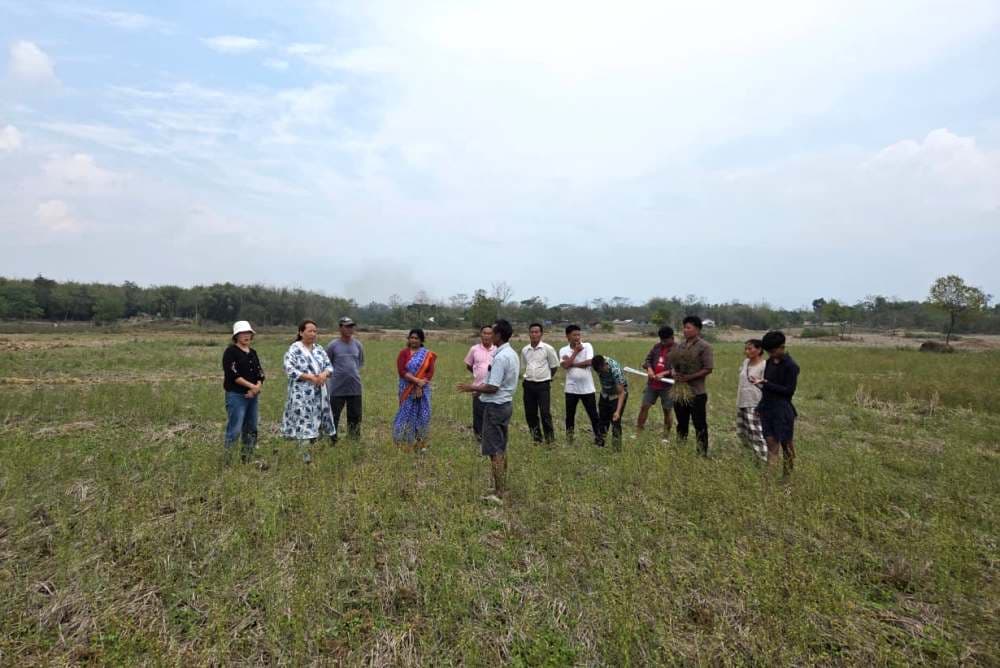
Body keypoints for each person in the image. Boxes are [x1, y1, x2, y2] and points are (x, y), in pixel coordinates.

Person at [458, 319, 519, 504]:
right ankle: (501, 487)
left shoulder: (501, 357)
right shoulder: (511, 353)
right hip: (505, 403)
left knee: (495, 450)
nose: (489, 335)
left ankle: (499, 492)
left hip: (496, 406)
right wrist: (478, 390)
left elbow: (493, 387)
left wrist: (471, 388)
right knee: (501, 447)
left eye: (492, 332)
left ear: (499, 335)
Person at [281, 319, 336, 463]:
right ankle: (304, 459)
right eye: (309, 331)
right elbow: (289, 369)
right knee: (304, 423)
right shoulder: (294, 349)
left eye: (315, 331)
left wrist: (323, 375)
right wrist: (310, 377)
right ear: (301, 332)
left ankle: (314, 454)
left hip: (320, 394)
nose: (313, 334)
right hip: (302, 395)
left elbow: (329, 367)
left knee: (317, 423)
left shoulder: (319, 349)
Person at [752, 331, 800, 476]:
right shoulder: (769, 363)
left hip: (783, 408)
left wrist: (766, 383)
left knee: (786, 444)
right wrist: (760, 406)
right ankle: (769, 475)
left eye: (773, 351)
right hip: (767, 408)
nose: (771, 354)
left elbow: (788, 391)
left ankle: (787, 476)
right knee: (771, 443)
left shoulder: (791, 366)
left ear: (782, 347)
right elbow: (767, 388)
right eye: (769, 352)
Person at [669, 315, 714, 456]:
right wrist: (673, 373)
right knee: (681, 423)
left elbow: (708, 368)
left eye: (688, 327)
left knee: (699, 424)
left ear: (698, 329)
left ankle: (702, 453)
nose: (685, 330)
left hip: (697, 392)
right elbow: (672, 365)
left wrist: (689, 377)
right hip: (679, 391)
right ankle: (680, 450)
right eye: (684, 327)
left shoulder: (704, 347)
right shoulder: (679, 346)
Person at [222, 320, 265, 464]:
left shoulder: (253, 353)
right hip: (236, 395)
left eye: (248, 333)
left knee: (251, 428)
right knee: (234, 429)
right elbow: (233, 375)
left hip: (253, 396)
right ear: (236, 336)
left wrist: (256, 387)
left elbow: (260, 373)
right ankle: (228, 461)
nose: (246, 336)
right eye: (242, 333)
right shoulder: (231, 352)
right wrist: (251, 387)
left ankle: (247, 458)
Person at [393, 329, 437, 451]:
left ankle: (420, 442)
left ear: (422, 340)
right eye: (411, 337)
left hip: (423, 389)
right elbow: (402, 371)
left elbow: (430, 372)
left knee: (422, 415)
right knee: (405, 414)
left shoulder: (427, 355)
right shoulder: (403, 353)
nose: (413, 340)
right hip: (406, 389)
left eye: (416, 338)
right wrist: (416, 381)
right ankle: (403, 442)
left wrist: (420, 385)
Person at [560, 325, 603, 446]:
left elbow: (589, 362)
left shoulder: (588, 346)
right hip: (571, 388)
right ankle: (569, 440)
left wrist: (572, 363)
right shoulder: (563, 350)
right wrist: (576, 352)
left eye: (579, 335)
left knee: (593, 415)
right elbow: (564, 366)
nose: (577, 337)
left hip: (587, 388)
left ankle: (599, 439)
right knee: (570, 416)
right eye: (574, 335)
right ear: (567, 336)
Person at [325, 316, 364, 442]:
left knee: (355, 416)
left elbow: (360, 362)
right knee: (334, 415)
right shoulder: (332, 345)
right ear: (340, 328)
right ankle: (332, 440)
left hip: (355, 387)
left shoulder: (358, 345)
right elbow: (326, 364)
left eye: (351, 326)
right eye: (347, 326)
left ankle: (353, 440)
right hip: (337, 387)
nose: (350, 329)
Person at [521, 323, 559, 444]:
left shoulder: (548, 348)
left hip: (543, 385)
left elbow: (554, 366)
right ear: (529, 334)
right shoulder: (525, 350)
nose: (534, 334)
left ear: (541, 334)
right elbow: (523, 366)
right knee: (530, 413)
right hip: (528, 384)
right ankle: (537, 439)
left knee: (545, 413)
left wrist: (547, 377)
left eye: (536, 332)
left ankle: (550, 440)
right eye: (532, 332)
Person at [636, 325, 675, 441]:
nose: (663, 342)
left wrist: (664, 373)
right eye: (661, 340)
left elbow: (679, 368)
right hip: (652, 385)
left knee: (667, 410)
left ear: (672, 338)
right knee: (644, 406)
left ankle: (666, 437)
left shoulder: (678, 349)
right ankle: (638, 433)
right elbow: (647, 360)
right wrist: (649, 369)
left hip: (667, 386)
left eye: (665, 340)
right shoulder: (656, 347)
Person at [736, 338, 768, 462]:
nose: (747, 351)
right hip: (742, 401)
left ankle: (763, 460)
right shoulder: (745, 362)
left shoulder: (764, 365)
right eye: (746, 349)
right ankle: (751, 459)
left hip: (755, 403)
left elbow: (767, 384)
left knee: (757, 433)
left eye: (750, 348)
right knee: (744, 432)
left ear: (759, 350)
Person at [463, 325, 495, 442]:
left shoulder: (497, 349)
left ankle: (491, 439)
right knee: (478, 416)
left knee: (492, 416)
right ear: (480, 334)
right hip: (477, 389)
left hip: (492, 389)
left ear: (493, 335)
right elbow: (469, 365)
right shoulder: (474, 349)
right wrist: (478, 375)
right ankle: (479, 440)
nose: (487, 336)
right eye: (484, 333)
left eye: (489, 333)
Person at [591, 354, 629, 450]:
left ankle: (616, 449)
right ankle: (600, 444)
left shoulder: (615, 371)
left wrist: (617, 411)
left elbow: (622, 393)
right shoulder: (597, 363)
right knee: (602, 420)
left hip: (617, 395)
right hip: (605, 394)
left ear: (604, 365)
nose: (600, 373)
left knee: (615, 421)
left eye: (602, 371)